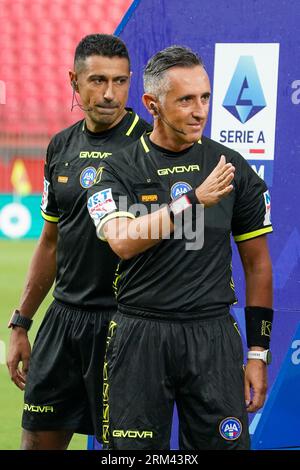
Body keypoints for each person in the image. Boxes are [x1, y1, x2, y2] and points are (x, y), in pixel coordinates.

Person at [87, 46, 273, 450]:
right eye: (186, 99)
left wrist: (257, 353)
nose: (200, 110)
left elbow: (258, 265)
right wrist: (191, 201)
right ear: (152, 103)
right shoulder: (115, 169)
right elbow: (121, 241)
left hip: (213, 336)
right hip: (140, 335)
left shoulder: (231, 166)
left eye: (204, 97)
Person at [6, 33, 151, 450]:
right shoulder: (61, 146)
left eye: (120, 82)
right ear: (74, 80)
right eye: (98, 81)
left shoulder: (152, 145)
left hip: (128, 325)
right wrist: (21, 322)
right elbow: (50, 241)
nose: (110, 94)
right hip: (65, 321)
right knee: (36, 442)